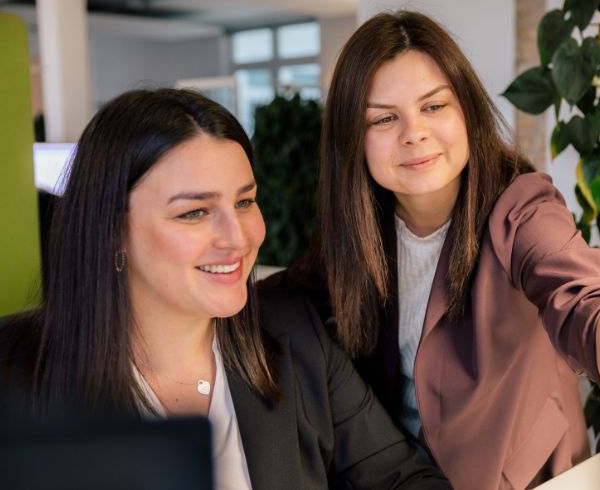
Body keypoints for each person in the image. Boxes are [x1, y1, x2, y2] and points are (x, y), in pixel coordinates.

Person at [268, 11, 600, 490]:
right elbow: (293, 289)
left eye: (434, 107)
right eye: (385, 118)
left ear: (467, 110)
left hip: (516, 479)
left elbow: (586, 301)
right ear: (353, 141)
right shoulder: (359, 230)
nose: (414, 132)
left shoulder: (521, 207)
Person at [0, 88, 451, 490]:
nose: (238, 237)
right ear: (112, 231)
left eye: (244, 201)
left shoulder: (296, 338)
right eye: (194, 212)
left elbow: (399, 476)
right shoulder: (13, 373)